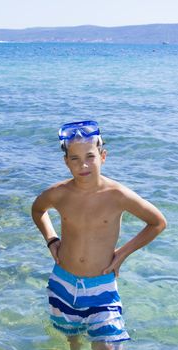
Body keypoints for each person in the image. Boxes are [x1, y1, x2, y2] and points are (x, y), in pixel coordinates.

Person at [31, 120, 167, 350]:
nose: (83, 164)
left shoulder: (118, 195)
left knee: (107, 345)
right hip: (63, 282)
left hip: (102, 286)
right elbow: (37, 210)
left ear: (103, 156)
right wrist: (51, 239)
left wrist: (122, 254)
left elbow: (157, 223)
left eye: (90, 156)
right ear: (66, 162)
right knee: (71, 340)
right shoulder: (59, 193)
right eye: (75, 158)